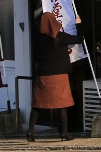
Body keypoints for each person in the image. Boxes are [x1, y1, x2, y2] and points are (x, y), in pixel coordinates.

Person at [26, 8, 76, 141]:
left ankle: (30, 132)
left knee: (38, 105)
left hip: (43, 75)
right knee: (62, 104)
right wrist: (78, 24)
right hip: (59, 75)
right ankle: (64, 133)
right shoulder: (61, 37)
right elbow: (79, 39)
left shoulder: (38, 38)